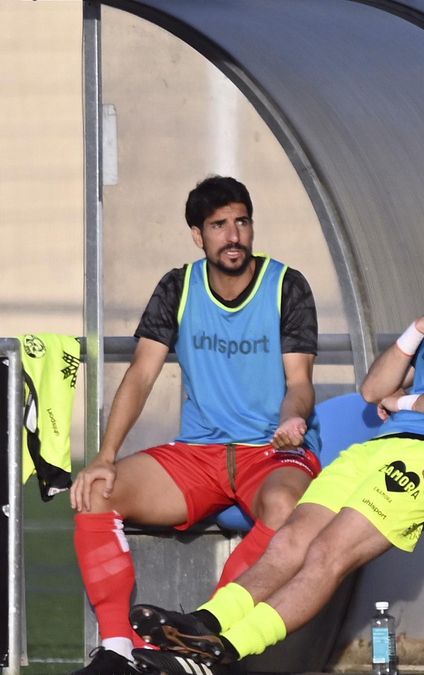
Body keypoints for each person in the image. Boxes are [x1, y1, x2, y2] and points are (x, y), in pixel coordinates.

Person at [126, 189, 424, 675]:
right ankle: (204, 623)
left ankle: (226, 651)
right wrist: (416, 331)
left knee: (328, 552)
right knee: (292, 539)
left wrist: (405, 402)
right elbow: (372, 390)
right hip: (377, 449)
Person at [69, 176, 322, 675]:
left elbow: (300, 381)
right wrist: (103, 456)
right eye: (219, 225)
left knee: (285, 504)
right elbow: (141, 374)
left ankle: (206, 641)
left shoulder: (286, 284)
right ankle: (118, 648)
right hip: (198, 455)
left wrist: (293, 417)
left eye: (242, 222)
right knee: (98, 490)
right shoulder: (178, 286)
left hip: (270, 452)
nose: (233, 236)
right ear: (197, 234)